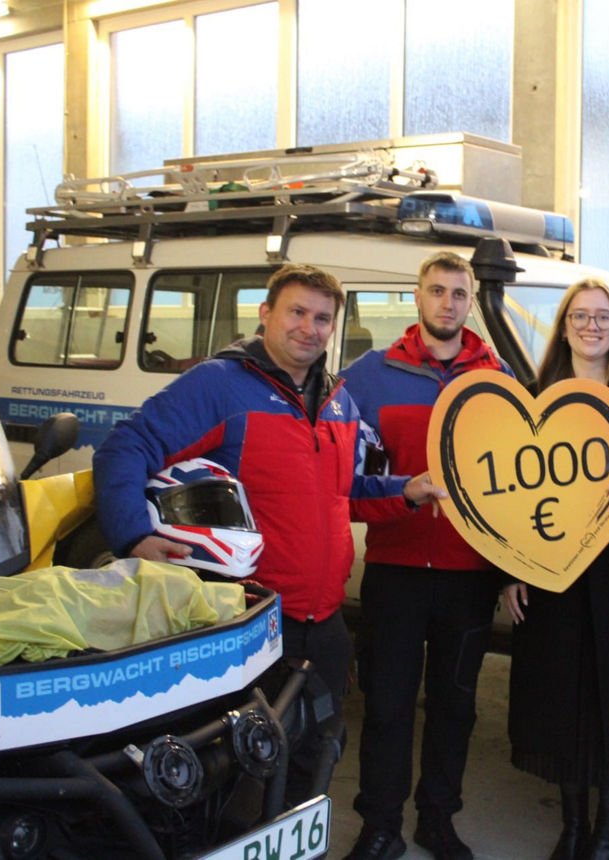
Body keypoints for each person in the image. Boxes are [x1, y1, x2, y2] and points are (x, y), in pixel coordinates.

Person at [92, 262, 442, 761]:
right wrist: (132, 538)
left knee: (317, 755)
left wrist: (408, 489)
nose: (309, 327)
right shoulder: (220, 385)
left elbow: (344, 492)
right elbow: (126, 447)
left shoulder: (338, 400)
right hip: (247, 619)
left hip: (323, 623)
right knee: (237, 766)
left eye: (322, 318)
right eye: (296, 312)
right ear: (265, 314)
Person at [337, 251, 512, 860]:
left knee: (455, 707)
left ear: (470, 303)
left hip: (469, 577)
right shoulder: (368, 375)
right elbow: (346, 485)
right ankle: (380, 823)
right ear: (417, 297)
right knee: (385, 707)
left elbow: (519, 487)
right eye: (436, 291)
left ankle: (438, 818)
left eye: (458, 294)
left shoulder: (498, 379)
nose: (448, 302)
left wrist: (515, 571)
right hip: (396, 570)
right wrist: (397, 501)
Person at [500, 278, 609, 860]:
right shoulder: (534, 397)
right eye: (580, 315)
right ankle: (573, 826)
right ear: (565, 324)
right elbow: (506, 499)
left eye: (603, 316)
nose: (592, 325)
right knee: (562, 703)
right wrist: (509, 571)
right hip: (554, 581)